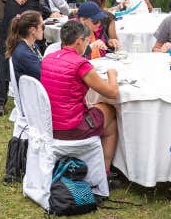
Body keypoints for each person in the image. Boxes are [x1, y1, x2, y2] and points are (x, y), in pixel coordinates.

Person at [41, 20, 120, 172]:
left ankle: (91, 162)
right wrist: (112, 74)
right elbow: (113, 93)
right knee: (110, 110)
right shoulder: (81, 64)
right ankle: (104, 170)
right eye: (86, 41)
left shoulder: (48, 59)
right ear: (78, 41)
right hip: (71, 129)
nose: (87, 45)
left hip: (47, 126)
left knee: (95, 108)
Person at [7, 11, 43, 87]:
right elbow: (42, 75)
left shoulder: (33, 46)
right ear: (32, 30)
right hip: (30, 91)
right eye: (42, 27)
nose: (43, 30)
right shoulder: (24, 54)